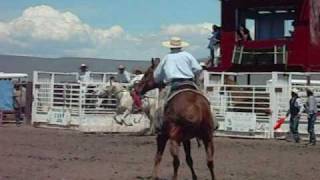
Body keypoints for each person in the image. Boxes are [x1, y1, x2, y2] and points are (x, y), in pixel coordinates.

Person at [153, 37, 202, 132]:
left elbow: (157, 75)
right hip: (189, 82)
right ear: (181, 46)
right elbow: (198, 69)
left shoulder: (167, 57)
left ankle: (159, 125)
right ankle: (213, 120)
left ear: (170, 47)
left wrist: (160, 80)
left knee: (161, 104)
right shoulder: (188, 55)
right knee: (203, 97)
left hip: (173, 84)